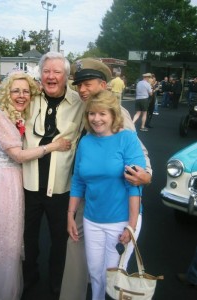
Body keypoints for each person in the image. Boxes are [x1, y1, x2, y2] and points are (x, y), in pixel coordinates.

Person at [0, 52, 85, 300]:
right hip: (27, 184)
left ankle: (58, 281)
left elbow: (109, 117)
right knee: (27, 238)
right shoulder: (31, 98)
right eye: (46, 71)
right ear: (41, 74)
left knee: (61, 240)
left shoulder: (81, 104)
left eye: (57, 72)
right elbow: (8, 105)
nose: (51, 76)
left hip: (61, 187)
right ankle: (28, 277)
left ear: (66, 76)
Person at [60, 58, 152, 300]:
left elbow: (136, 156)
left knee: (109, 271)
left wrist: (146, 175)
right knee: (90, 265)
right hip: (87, 199)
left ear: (103, 83)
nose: (82, 90)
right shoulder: (82, 106)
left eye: (87, 84)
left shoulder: (117, 113)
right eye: (78, 85)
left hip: (115, 206)